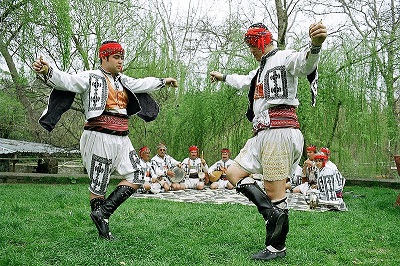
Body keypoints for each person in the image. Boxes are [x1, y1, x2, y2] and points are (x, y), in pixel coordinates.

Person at [32, 40, 178, 240]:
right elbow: (67, 81)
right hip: (98, 135)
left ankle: (103, 213)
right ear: (104, 57)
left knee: (137, 174)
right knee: (99, 184)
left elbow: (143, 83)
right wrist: (48, 70)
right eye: (117, 58)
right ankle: (103, 231)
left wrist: (163, 81)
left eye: (122, 58)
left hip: (122, 137)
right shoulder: (90, 77)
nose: (121, 62)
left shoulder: (123, 80)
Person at [209, 21, 327, 261]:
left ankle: (276, 247)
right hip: (261, 132)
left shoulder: (285, 57)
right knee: (232, 172)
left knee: (275, 192)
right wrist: (221, 77)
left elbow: (304, 64)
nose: (251, 51)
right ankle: (271, 215)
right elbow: (242, 80)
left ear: (262, 41)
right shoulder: (260, 70)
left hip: (280, 131)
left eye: (252, 46)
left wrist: (315, 45)